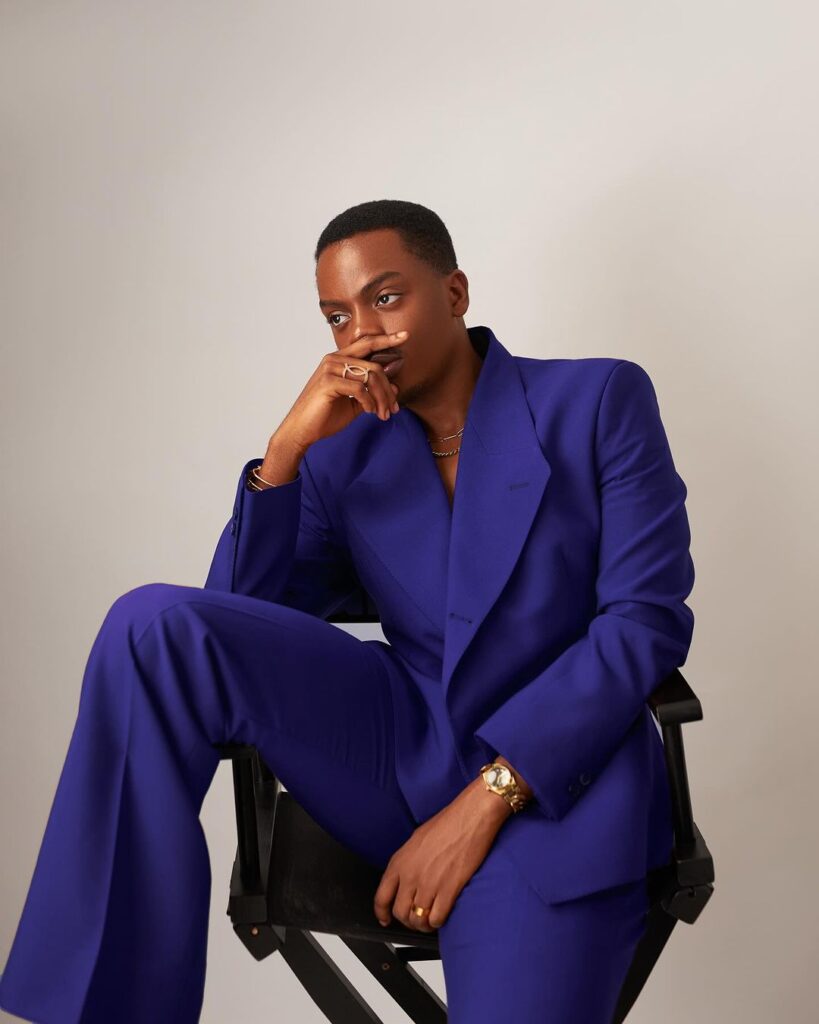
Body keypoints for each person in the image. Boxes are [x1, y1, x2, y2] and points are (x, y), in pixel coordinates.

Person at [0, 199, 695, 1023]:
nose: (362, 332)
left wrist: (484, 801)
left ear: (454, 293)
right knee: (151, 627)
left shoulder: (595, 399)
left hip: (559, 783)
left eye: (385, 297)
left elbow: (643, 621)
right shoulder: (342, 453)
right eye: (337, 315)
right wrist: (286, 454)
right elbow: (232, 630)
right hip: (401, 748)